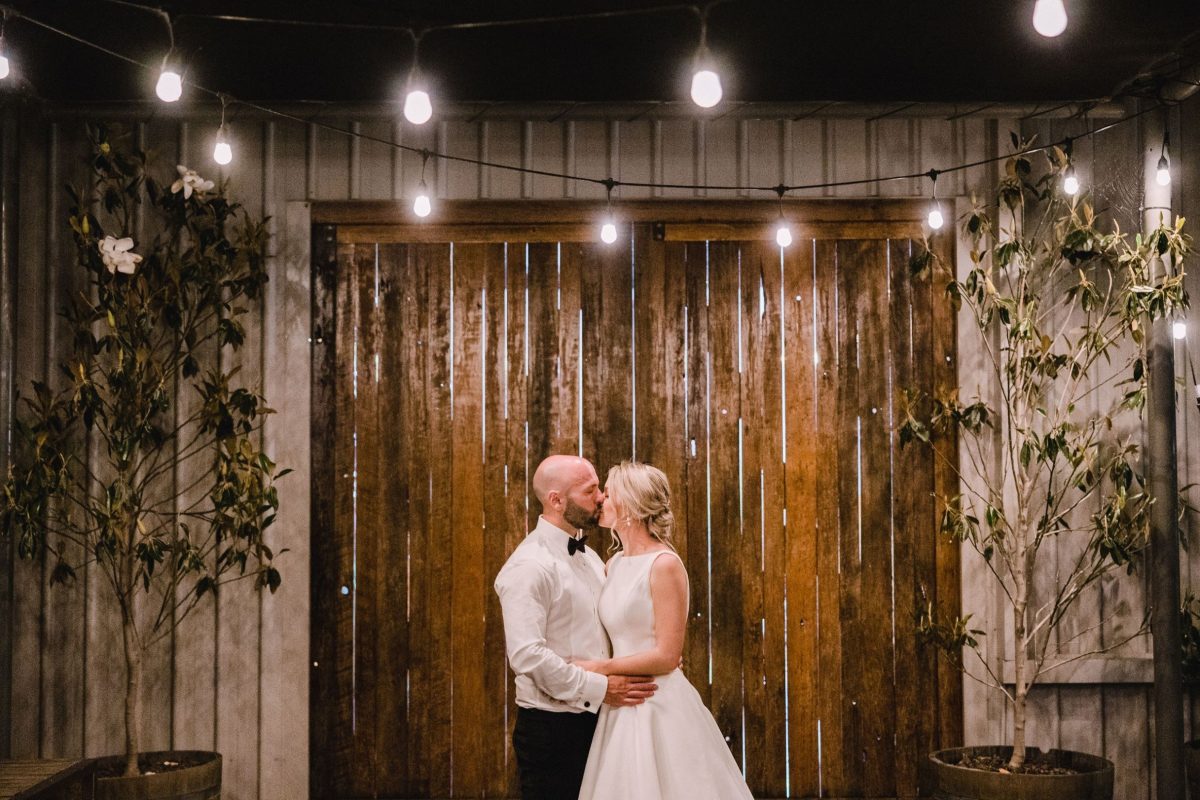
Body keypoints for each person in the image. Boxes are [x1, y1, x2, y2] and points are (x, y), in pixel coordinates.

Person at [574, 461, 755, 799]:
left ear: (630, 505)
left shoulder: (664, 564)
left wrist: (601, 668)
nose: (601, 500)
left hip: (656, 700)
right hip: (620, 702)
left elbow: (668, 656)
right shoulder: (613, 564)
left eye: (609, 494)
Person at [495, 454, 659, 800]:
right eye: (590, 490)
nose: (601, 497)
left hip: (604, 721)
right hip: (553, 729)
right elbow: (528, 657)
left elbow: (614, 625)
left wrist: (652, 657)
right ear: (557, 500)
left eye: (600, 487)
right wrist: (600, 688)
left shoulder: (591, 558)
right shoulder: (529, 567)